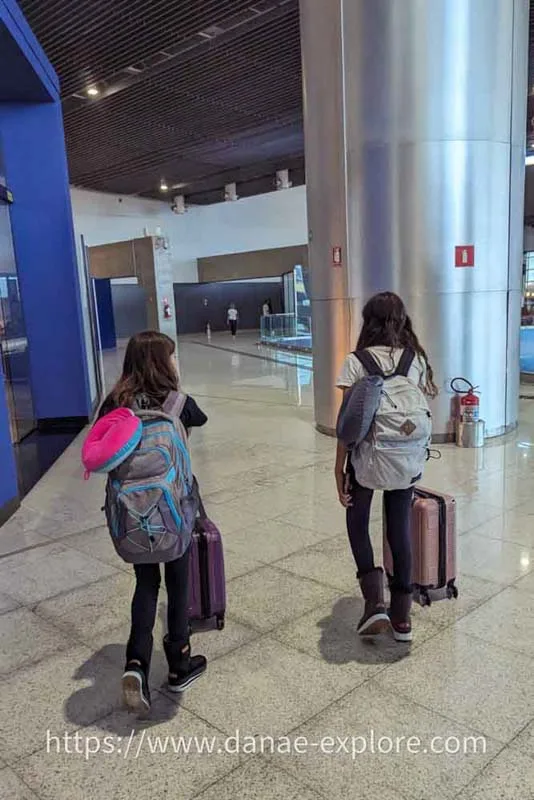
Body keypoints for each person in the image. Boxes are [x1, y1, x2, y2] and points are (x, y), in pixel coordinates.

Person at [98, 331, 208, 713]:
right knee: (178, 583)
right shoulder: (178, 402)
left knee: (146, 583)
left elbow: (100, 448)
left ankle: (136, 663)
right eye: (172, 357)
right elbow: (201, 418)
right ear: (163, 363)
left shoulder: (116, 404)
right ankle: (179, 664)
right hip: (174, 512)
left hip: (133, 518)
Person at [335, 292, 438, 642]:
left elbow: (347, 424)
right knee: (399, 528)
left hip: (366, 460)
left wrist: (339, 469)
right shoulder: (415, 360)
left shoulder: (356, 361)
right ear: (402, 320)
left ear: (368, 322)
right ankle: (402, 616)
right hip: (405, 461)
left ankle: (374, 602)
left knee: (357, 521)